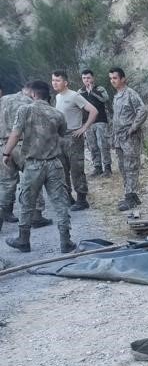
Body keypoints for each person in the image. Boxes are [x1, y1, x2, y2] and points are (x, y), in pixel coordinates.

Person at [3, 80, 75, 254]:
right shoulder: (57, 114)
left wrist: (6, 153)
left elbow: (16, 134)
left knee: (27, 203)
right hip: (54, 164)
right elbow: (62, 135)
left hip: (33, 165)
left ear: (33, 94)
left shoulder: (25, 110)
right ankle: (66, 241)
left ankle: (23, 240)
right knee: (60, 203)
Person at [0, 85, 52, 230]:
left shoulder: (3, 100)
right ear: (32, 92)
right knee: (34, 178)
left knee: (5, 183)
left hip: (3, 145)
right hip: (24, 144)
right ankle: (36, 216)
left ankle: (4, 213)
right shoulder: (29, 102)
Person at [51, 70, 98, 211]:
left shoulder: (74, 95)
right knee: (62, 169)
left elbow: (93, 111)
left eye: (57, 80)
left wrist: (84, 128)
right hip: (60, 137)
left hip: (73, 137)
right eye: (53, 80)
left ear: (65, 82)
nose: (54, 83)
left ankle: (82, 199)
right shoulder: (58, 97)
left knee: (76, 169)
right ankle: (68, 197)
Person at [109, 67, 147, 211]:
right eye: (111, 78)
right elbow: (116, 118)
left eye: (115, 78)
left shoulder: (130, 94)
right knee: (122, 167)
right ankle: (130, 194)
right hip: (119, 137)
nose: (113, 81)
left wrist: (133, 128)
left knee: (131, 166)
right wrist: (113, 138)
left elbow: (142, 111)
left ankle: (130, 197)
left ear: (123, 79)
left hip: (129, 137)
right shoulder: (117, 95)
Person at [79, 69, 113, 177]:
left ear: (93, 78)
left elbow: (105, 99)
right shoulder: (80, 92)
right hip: (87, 123)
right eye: (84, 78)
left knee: (103, 145)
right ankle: (97, 167)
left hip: (101, 121)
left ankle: (107, 168)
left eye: (88, 78)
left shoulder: (100, 88)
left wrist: (92, 91)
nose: (86, 80)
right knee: (92, 146)